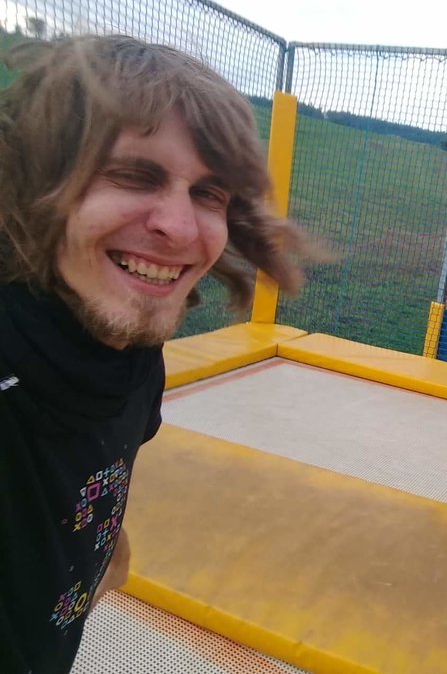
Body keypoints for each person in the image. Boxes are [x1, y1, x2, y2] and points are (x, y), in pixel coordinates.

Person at [0, 35, 325, 673]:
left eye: (209, 194)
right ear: (34, 182)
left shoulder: (129, 351)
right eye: (132, 175)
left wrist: (102, 547)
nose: (179, 227)